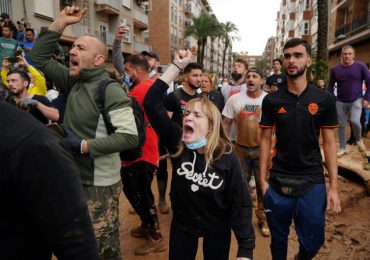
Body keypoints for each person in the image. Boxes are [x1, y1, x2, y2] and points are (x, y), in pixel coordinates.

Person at [29, 6, 139, 260]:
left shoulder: (110, 90)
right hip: (73, 176)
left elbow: (129, 136)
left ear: (99, 60)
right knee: (81, 243)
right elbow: (39, 57)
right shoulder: (73, 80)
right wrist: (60, 22)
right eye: (73, 47)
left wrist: (83, 146)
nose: (72, 51)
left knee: (101, 247)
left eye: (80, 48)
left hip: (99, 183)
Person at [143, 50, 255, 260]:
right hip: (183, 225)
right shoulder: (178, 140)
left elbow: (240, 202)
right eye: (186, 114)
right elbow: (151, 102)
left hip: (217, 228)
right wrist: (176, 66)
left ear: (211, 125)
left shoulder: (226, 155)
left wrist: (245, 250)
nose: (188, 119)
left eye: (197, 115)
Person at [259, 38, 341, 260]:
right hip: (278, 180)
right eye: (287, 56)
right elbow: (265, 139)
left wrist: (333, 185)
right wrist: (262, 180)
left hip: (312, 179)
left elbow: (331, 142)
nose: (291, 60)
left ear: (309, 60)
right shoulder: (272, 100)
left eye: (297, 55)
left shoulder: (324, 99)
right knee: (278, 242)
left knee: (314, 241)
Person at [0, 101, 99, 260]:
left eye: (15, 80)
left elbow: (76, 244)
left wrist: (83, 146)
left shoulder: (32, 143)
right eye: (9, 80)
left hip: (94, 173)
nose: (11, 83)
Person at [121, 54, 166, 255]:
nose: (125, 74)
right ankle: (147, 226)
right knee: (134, 190)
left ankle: (156, 237)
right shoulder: (143, 88)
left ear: (137, 71)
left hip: (143, 151)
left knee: (142, 194)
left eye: (127, 70)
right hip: (140, 150)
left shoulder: (143, 89)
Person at [222, 67, 269, 238]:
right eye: (248, 76)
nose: (250, 79)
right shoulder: (234, 100)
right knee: (240, 187)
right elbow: (226, 125)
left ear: (261, 80)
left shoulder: (269, 100)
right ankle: (242, 220)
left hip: (262, 151)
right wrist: (225, 146)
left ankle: (263, 219)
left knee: (263, 186)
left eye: (255, 76)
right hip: (239, 149)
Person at [328, 45, 370, 157]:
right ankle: (342, 148)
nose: (347, 56)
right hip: (340, 101)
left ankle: (359, 139)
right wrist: (332, 98)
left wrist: (366, 98)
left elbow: (369, 82)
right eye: (345, 54)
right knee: (341, 125)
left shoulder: (360, 66)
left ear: (354, 55)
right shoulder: (335, 69)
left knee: (355, 121)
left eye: (349, 54)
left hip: (357, 99)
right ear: (342, 55)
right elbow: (330, 85)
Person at [221, 59, 248, 142]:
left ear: (245, 71)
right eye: (234, 66)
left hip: (244, 135)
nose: (236, 68)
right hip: (227, 134)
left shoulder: (248, 88)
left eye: (239, 66)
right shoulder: (224, 87)